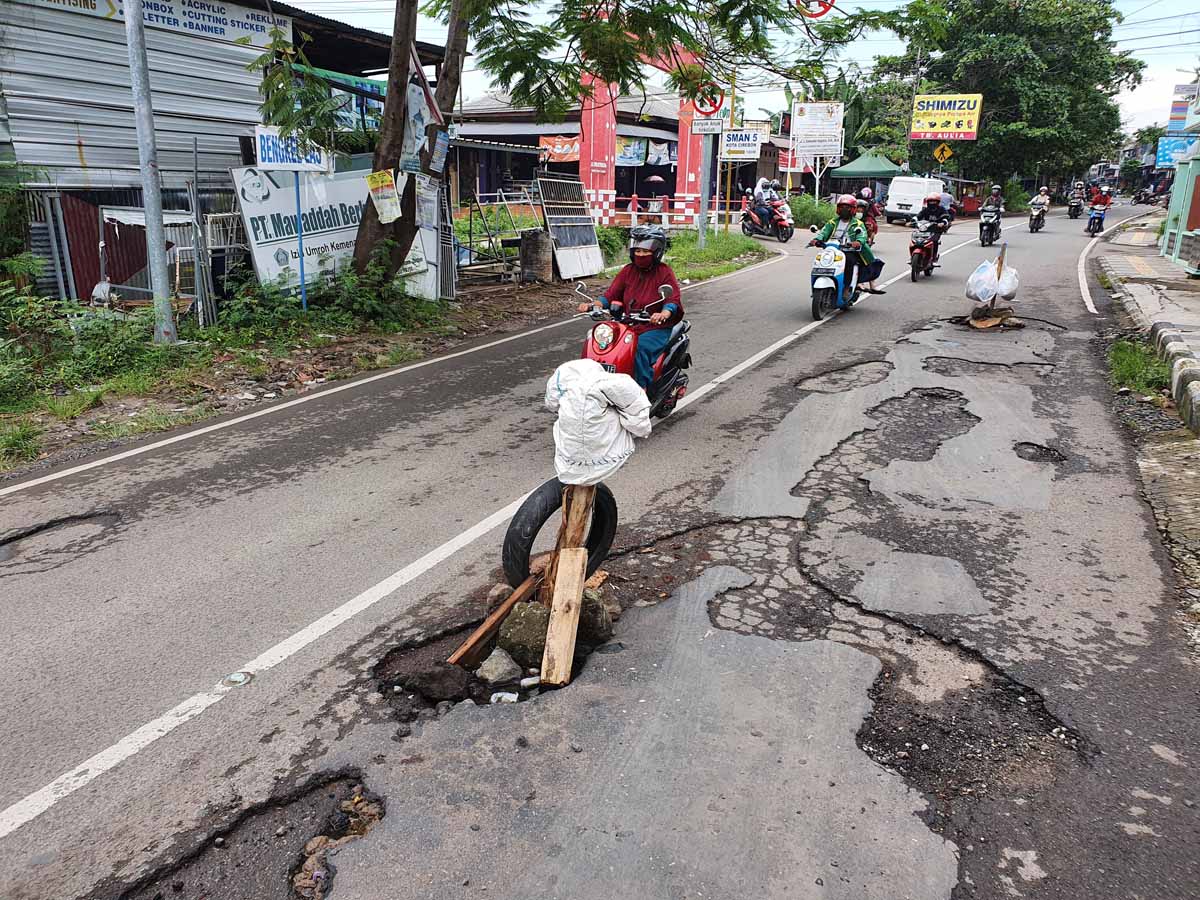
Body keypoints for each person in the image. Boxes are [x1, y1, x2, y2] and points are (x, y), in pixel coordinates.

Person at [577, 225, 683, 391]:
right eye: (637, 251)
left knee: (639, 350)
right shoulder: (628, 270)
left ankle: (640, 392)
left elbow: (672, 299)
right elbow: (611, 294)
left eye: (645, 251)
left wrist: (663, 313)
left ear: (656, 252)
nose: (640, 255)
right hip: (628, 323)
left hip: (654, 327)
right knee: (602, 347)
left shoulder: (664, 272)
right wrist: (594, 305)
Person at [810, 194, 886, 295]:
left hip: (849, 250)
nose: (844, 210)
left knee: (849, 262)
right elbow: (824, 232)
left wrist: (858, 242)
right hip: (833, 249)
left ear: (853, 209)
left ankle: (846, 287)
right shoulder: (832, 222)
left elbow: (862, 235)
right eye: (842, 207)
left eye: (847, 208)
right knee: (821, 260)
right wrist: (817, 239)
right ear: (838, 208)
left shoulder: (858, 224)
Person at [916, 193, 951, 260]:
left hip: (936, 229)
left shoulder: (941, 209)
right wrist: (913, 220)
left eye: (934, 201)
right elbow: (919, 216)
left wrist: (942, 223)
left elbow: (946, 217)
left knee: (934, 241)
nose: (932, 203)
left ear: (937, 202)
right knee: (917, 239)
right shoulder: (926, 210)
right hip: (925, 229)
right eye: (930, 201)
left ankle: (934, 257)